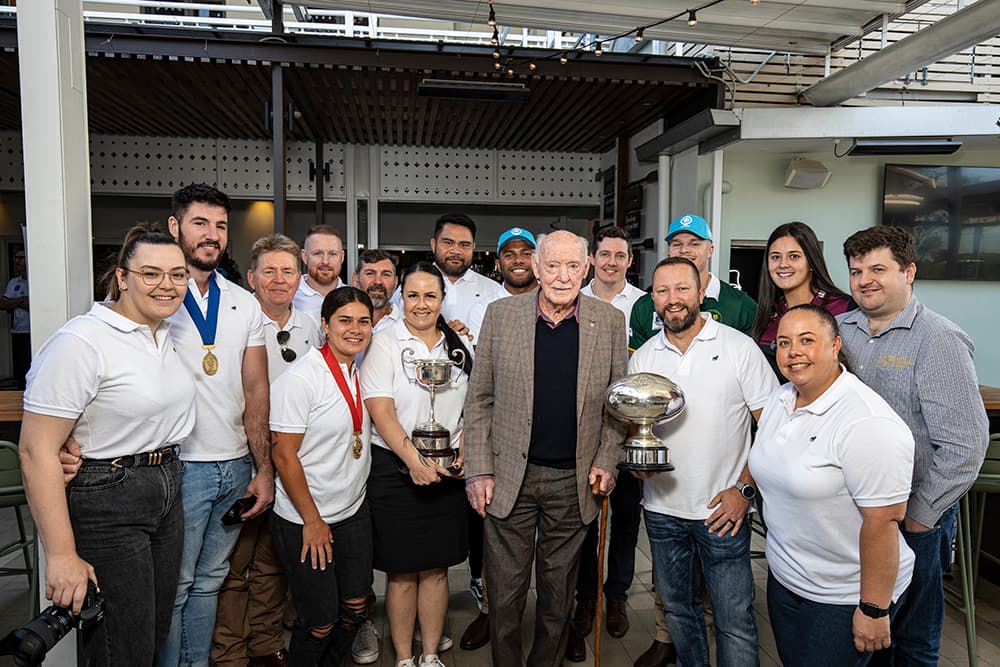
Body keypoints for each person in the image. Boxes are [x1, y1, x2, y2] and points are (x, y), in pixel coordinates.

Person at [19, 225, 194, 664]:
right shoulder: (82, 342)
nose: (166, 285)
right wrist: (59, 555)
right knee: (121, 647)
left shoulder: (163, 333)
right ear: (122, 277)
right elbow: (36, 449)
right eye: (151, 273)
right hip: (110, 495)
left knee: (151, 634)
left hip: (166, 486)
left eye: (177, 275)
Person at [464, 230, 627, 667]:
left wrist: (608, 459)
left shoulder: (609, 322)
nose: (561, 276)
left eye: (572, 266)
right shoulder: (501, 316)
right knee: (505, 594)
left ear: (587, 267)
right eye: (551, 265)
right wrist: (478, 470)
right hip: (509, 478)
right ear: (536, 268)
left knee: (558, 597)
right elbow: (479, 399)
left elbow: (616, 406)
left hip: (573, 483)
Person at [838, 225, 989, 666]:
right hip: (856, 517)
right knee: (866, 633)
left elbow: (966, 445)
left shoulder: (938, 339)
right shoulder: (841, 330)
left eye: (878, 269)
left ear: (909, 272)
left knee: (912, 640)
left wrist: (921, 517)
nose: (865, 279)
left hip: (912, 519)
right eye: (856, 270)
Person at [629, 257, 776, 667]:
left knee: (734, 619)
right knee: (679, 613)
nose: (672, 299)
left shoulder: (738, 348)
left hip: (721, 511)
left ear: (699, 293)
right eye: (662, 291)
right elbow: (635, 429)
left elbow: (773, 429)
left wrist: (744, 490)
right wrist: (637, 462)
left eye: (681, 289)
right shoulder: (643, 359)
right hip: (661, 512)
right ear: (653, 299)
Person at [750, 304, 915, 665]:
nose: (793, 352)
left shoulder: (867, 423)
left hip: (844, 592)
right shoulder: (781, 399)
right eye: (783, 342)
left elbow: (883, 522)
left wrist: (873, 609)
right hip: (788, 579)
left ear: (836, 344)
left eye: (807, 340)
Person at [160, 183, 274, 667]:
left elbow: (255, 391)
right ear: (175, 227)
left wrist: (262, 467)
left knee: (210, 580)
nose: (211, 235)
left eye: (220, 226)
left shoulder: (242, 301)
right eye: (200, 223)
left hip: (233, 465)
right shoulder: (157, 295)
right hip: (181, 466)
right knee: (177, 585)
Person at [212, 234, 322, 667]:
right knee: (234, 563)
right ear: (252, 277)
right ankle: (228, 652)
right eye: (269, 271)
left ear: (301, 277)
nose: (279, 280)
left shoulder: (313, 326)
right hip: (244, 456)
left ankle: (264, 643)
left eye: (288, 271)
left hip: (294, 459)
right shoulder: (233, 322)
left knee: (276, 560)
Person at [360, 262, 473, 667]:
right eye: (412, 295)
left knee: (437, 570)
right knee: (403, 572)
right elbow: (381, 411)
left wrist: (464, 449)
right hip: (394, 469)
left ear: (442, 299)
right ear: (400, 297)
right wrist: (413, 461)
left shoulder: (459, 346)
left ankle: (429, 655)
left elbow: (473, 407)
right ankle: (404, 657)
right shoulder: (382, 342)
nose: (421, 304)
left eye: (430, 295)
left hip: (447, 471)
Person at [270, 287, 376, 666]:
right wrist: (313, 522)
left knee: (355, 607)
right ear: (325, 325)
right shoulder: (301, 378)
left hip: (352, 512)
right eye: (344, 320)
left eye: (363, 321)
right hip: (306, 518)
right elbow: (283, 455)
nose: (355, 329)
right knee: (319, 622)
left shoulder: (362, 372)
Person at [567, 225, 647, 661]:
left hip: (632, 431)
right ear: (592, 259)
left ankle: (615, 596)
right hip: (587, 431)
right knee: (585, 525)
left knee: (627, 522)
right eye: (605, 254)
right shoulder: (574, 299)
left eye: (621, 255)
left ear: (629, 261)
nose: (612, 262)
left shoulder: (643, 306)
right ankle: (585, 602)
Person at [458, 226, 538, 652]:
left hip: (550, 448)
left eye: (528, 252)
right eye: (510, 253)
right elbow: (480, 385)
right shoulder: (483, 305)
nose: (519, 260)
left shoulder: (559, 302)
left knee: (556, 554)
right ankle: (491, 610)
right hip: (500, 441)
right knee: (494, 537)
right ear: (499, 259)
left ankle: (563, 620)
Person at [630, 213, 757, 352]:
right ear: (669, 250)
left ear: (710, 250)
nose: (684, 250)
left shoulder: (742, 306)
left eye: (694, 243)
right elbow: (638, 366)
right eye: (677, 244)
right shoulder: (644, 306)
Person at [751, 222, 853, 377]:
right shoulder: (768, 313)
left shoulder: (843, 308)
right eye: (775, 257)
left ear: (811, 262)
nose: (783, 264)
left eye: (794, 256)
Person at [294, 225, 345, 325]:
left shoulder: (353, 298)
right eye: (317, 253)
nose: (325, 261)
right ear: (304, 257)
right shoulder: (289, 297)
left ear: (342, 257)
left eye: (333, 254)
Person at [354, 248, 402, 335]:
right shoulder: (339, 322)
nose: (378, 281)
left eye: (386, 275)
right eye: (370, 273)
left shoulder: (406, 325)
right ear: (355, 279)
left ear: (395, 282)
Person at [0, 248, 30, 388]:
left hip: (32, 330)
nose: (17, 262)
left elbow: (32, 304)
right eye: (16, 258)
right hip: (18, 331)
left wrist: (15, 302)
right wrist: (20, 301)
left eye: (21, 258)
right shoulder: (13, 283)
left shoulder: (34, 281)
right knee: (20, 367)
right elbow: (3, 303)